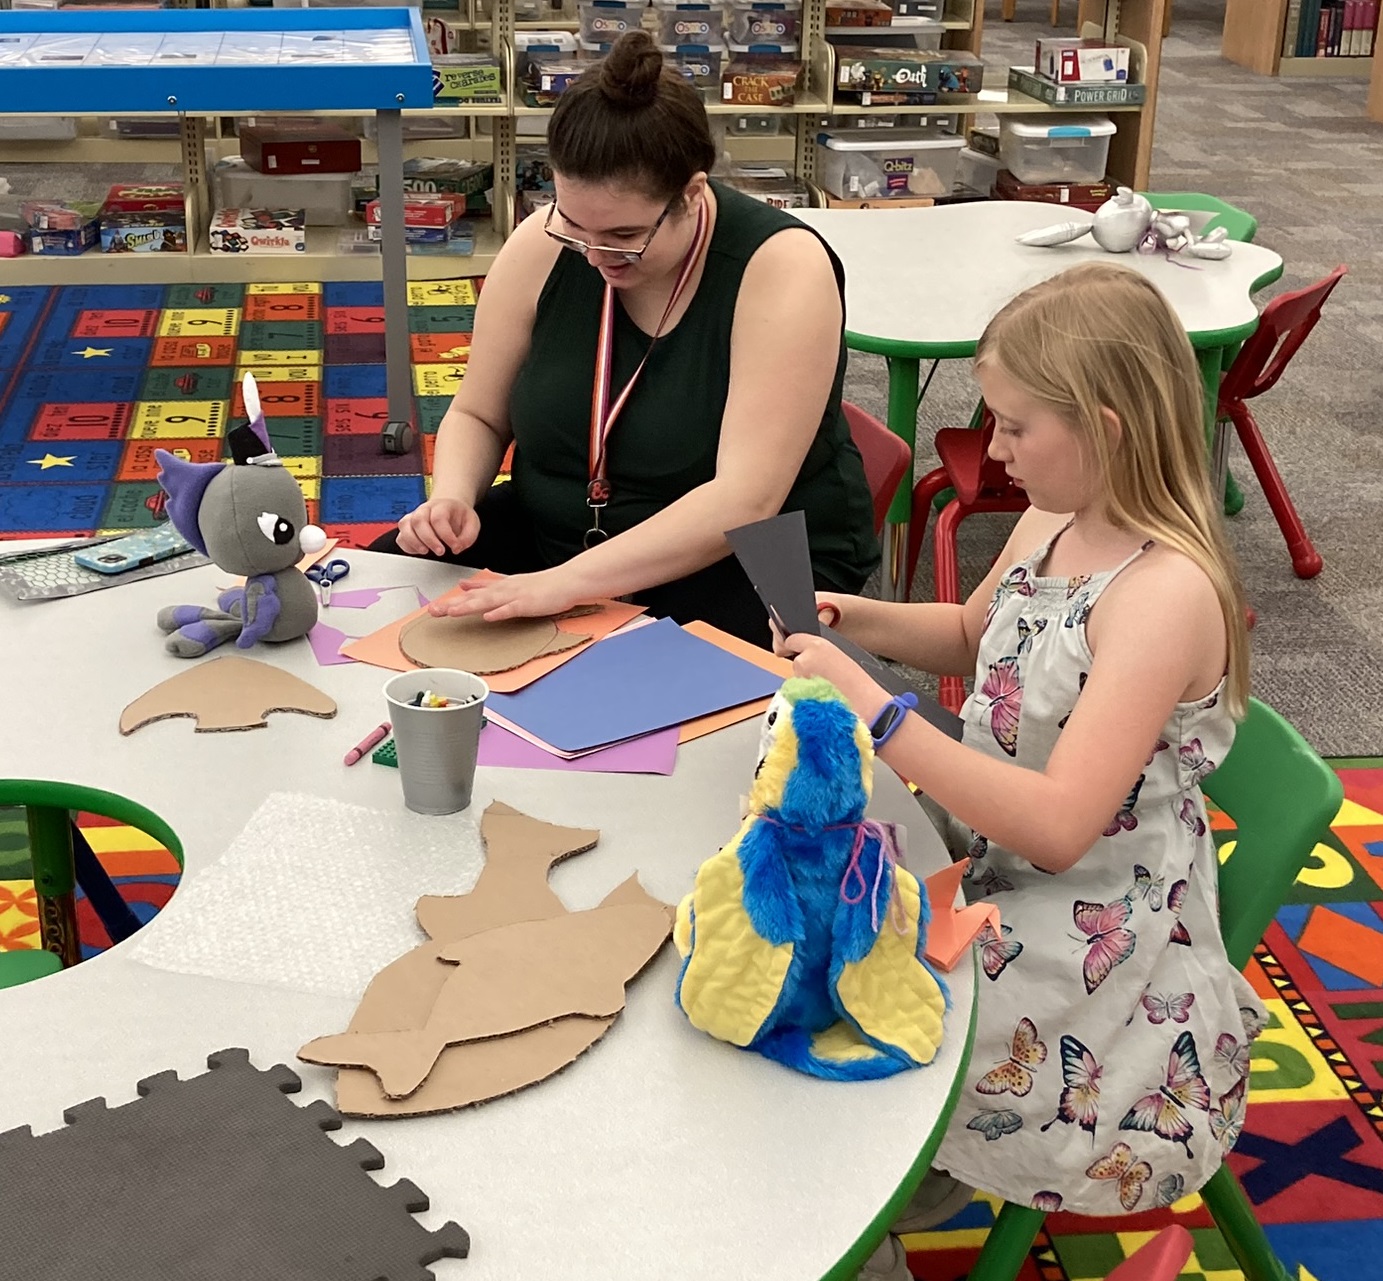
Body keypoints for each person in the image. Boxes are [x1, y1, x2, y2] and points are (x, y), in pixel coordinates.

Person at [774, 263, 1264, 1280]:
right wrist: (851, 616)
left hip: (1095, 944)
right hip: (1001, 866)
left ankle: (860, 1212)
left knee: (848, 998)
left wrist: (877, 711)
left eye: (1014, 425)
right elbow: (968, 632)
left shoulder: (1162, 594)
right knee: (800, 911)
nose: (989, 451)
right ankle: (893, 1173)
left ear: (1108, 425)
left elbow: (1057, 827)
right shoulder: (1054, 517)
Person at [372, 30, 878, 646]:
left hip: (740, 559)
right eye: (573, 224)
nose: (594, 254)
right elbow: (478, 413)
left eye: (623, 234)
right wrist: (453, 498)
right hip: (563, 536)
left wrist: (565, 583)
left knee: (648, 701)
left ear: (692, 195)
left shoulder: (781, 268)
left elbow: (744, 501)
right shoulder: (543, 245)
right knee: (383, 596)